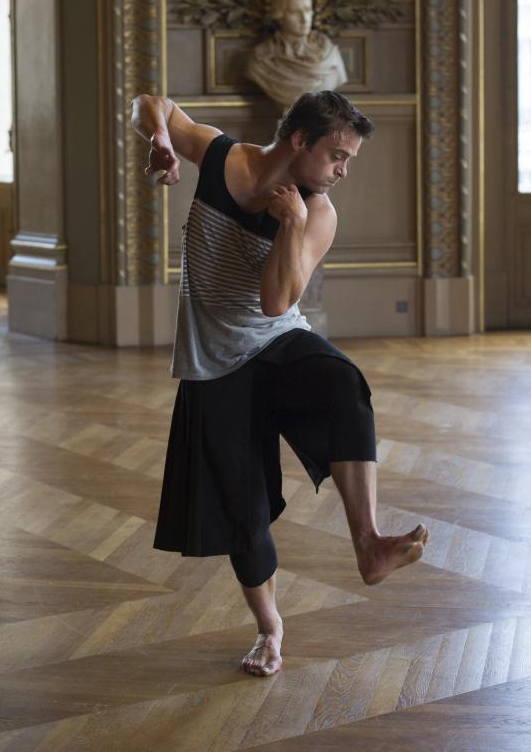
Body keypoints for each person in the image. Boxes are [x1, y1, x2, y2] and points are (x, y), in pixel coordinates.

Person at [130, 90, 430, 678]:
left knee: (343, 383)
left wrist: (292, 222)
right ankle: (270, 630)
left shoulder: (319, 214)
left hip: (277, 343)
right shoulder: (222, 158)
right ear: (298, 140)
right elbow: (150, 103)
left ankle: (368, 543)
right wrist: (160, 138)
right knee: (244, 517)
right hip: (213, 365)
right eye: (337, 156)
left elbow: (274, 303)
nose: (342, 171)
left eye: (348, 160)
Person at [246, 0, 347, 110]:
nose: (304, 19)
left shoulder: (330, 55)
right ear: (280, 16)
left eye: (307, 10)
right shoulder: (262, 59)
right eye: (295, 12)